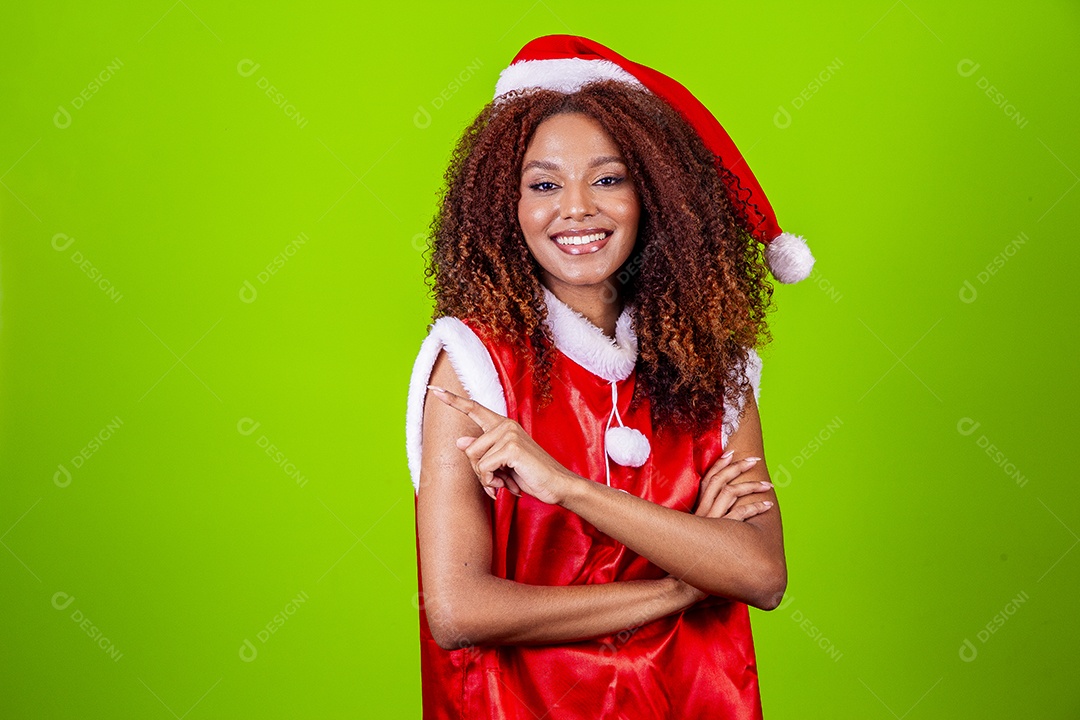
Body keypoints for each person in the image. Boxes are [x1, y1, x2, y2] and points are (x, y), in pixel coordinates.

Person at [404, 35, 815, 719]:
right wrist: (682, 585)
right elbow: (459, 610)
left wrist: (567, 487)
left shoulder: (715, 367)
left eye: (608, 179)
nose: (576, 208)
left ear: (655, 194)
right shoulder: (472, 364)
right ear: (504, 204)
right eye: (543, 184)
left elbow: (761, 574)